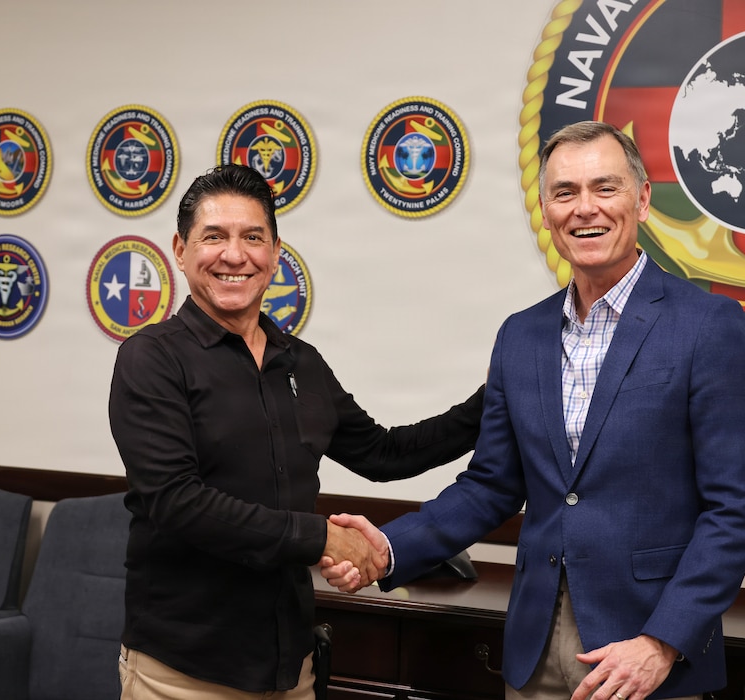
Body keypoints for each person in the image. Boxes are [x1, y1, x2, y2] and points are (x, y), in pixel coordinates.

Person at [321, 121, 745, 700]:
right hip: (534, 653)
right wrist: (389, 548)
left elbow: (734, 511)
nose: (586, 209)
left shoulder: (709, 327)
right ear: (546, 210)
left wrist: (662, 642)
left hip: (646, 657)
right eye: (565, 192)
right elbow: (490, 486)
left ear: (643, 199)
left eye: (605, 188)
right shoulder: (521, 336)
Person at [108, 164, 485, 699]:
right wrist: (322, 538)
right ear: (181, 248)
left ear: (275, 252)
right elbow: (176, 502)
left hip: (291, 668)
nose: (234, 255)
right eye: (213, 236)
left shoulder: (299, 362)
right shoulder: (152, 359)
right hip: (183, 674)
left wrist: (496, 401)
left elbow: (384, 453)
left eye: (252, 237)